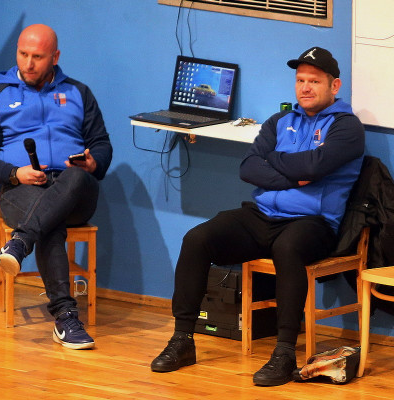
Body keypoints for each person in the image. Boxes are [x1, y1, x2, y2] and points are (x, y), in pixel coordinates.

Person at [150, 47, 365, 386]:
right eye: (300, 80)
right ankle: (182, 340)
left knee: (287, 248)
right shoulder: (280, 121)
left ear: (334, 86)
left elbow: (314, 166)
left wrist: (276, 161)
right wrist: (295, 175)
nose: (305, 87)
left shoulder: (347, 127)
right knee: (197, 239)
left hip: (313, 223)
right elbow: (249, 167)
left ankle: (284, 353)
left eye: (314, 81)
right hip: (262, 214)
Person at [0, 24, 112, 350]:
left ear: (55, 57)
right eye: (23, 54)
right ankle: (66, 318)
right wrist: (15, 173)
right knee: (48, 220)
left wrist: (93, 163)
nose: (28, 63)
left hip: (75, 191)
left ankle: (20, 243)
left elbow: (102, 146)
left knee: (74, 178)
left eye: (38, 56)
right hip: (20, 190)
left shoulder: (79, 93)